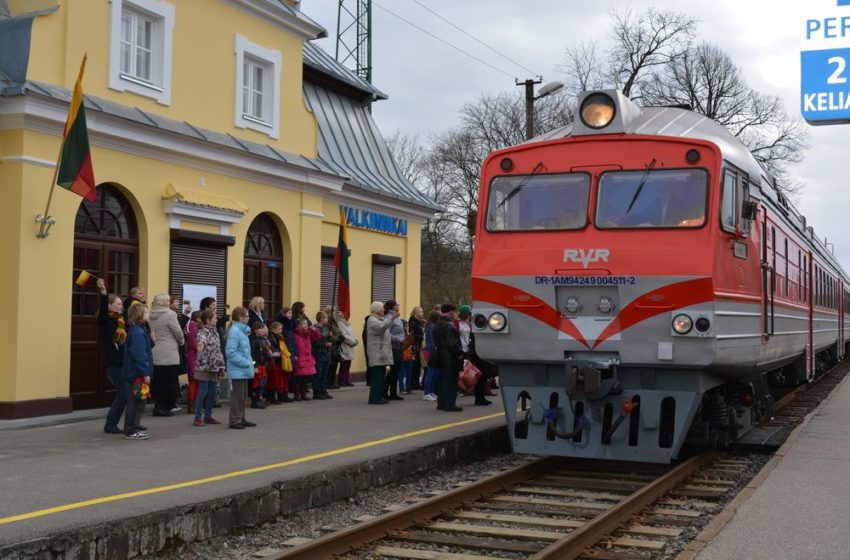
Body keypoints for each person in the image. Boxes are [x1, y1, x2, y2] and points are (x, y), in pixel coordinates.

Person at [96, 278, 127, 434]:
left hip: (125, 362)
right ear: (109, 305)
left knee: (127, 394)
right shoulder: (105, 320)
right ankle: (110, 425)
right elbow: (102, 310)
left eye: (121, 304)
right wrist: (103, 292)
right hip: (114, 364)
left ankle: (127, 424)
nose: (121, 306)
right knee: (123, 393)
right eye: (118, 304)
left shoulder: (121, 320)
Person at [149, 293, 185, 416]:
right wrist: (181, 341)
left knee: (159, 381)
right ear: (164, 303)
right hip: (168, 352)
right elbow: (178, 332)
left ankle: (159, 406)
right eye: (168, 300)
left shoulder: (150, 314)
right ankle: (164, 407)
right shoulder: (170, 314)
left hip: (155, 350)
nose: (170, 302)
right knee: (169, 381)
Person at [123, 303, 152, 439]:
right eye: (146, 312)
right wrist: (145, 373)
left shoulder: (140, 330)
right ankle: (130, 430)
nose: (148, 314)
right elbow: (139, 355)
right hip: (137, 374)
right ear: (140, 316)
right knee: (135, 402)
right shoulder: (138, 332)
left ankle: (135, 425)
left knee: (140, 400)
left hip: (138, 373)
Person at [193, 309, 225, 426]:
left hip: (214, 366)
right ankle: (197, 417)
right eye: (215, 318)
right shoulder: (203, 332)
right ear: (207, 320)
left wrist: (221, 366)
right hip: (204, 366)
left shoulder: (215, 332)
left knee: (212, 392)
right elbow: (202, 341)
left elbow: (218, 351)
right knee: (203, 391)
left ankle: (208, 416)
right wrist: (201, 345)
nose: (217, 320)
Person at [225, 307, 256, 429]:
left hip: (243, 369)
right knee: (237, 396)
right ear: (240, 317)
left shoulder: (242, 331)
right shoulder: (235, 331)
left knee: (242, 396)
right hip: (238, 369)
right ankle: (235, 420)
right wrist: (245, 363)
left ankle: (241, 417)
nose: (249, 318)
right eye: (247, 316)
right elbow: (230, 352)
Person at [434, 303, 463, 412]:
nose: (455, 314)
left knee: (442, 380)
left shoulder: (438, 323)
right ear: (450, 312)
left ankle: (441, 403)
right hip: (450, 357)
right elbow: (452, 343)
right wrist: (459, 352)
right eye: (454, 312)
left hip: (441, 355)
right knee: (451, 381)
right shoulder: (449, 325)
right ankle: (450, 404)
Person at [366, 301, 396, 404]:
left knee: (381, 377)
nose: (384, 310)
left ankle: (378, 396)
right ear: (377, 310)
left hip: (381, 353)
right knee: (377, 377)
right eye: (382, 308)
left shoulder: (379, 319)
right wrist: (391, 317)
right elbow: (381, 328)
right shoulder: (372, 320)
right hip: (377, 353)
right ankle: (374, 398)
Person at [383, 300, 405, 401]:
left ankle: (393, 393)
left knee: (396, 372)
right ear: (393, 306)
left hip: (398, 347)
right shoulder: (389, 317)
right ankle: (384, 392)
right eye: (397, 304)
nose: (398, 306)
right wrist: (399, 339)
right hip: (393, 347)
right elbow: (386, 333)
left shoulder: (397, 317)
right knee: (393, 371)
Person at [293, 318, 318, 400]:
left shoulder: (308, 334)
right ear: (299, 325)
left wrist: (315, 331)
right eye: (304, 324)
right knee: (299, 377)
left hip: (308, 357)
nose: (306, 325)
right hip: (300, 357)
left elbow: (316, 338)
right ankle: (297, 394)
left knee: (305, 377)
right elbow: (295, 346)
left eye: (306, 324)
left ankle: (303, 394)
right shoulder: (296, 335)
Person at [249, 322, 272, 409]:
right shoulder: (254, 341)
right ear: (256, 330)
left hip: (263, 365)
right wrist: (254, 366)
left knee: (260, 384)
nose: (264, 330)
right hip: (257, 366)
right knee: (256, 384)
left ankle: (259, 399)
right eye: (261, 328)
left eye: (264, 328)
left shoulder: (262, 340)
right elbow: (252, 355)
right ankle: (254, 401)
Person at [267, 321, 292, 403]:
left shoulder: (280, 337)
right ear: (273, 329)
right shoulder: (272, 337)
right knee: (275, 379)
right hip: (275, 360)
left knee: (283, 378)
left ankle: (283, 395)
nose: (281, 331)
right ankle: (272, 397)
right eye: (279, 329)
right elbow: (272, 347)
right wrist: (278, 352)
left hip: (282, 359)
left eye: (281, 329)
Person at [312, 311, 334, 400]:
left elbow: (327, 338)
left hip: (326, 352)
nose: (327, 319)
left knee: (325, 373)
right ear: (321, 319)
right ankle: (317, 392)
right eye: (325, 318)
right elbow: (315, 341)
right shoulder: (316, 328)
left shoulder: (326, 328)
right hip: (319, 352)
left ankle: (323, 390)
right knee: (318, 373)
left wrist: (330, 336)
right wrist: (324, 344)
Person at [332, 310, 358, 387]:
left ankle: (347, 380)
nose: (341, 315)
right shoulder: (340, 323)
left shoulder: (348, 323)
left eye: (342, 314)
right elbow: (344, 335)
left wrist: (355, 340)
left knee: (348, 364)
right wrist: (352, 342)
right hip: (345, 345)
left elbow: (352, 333)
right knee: (344, 364)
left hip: (351, 345)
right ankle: (341, 381)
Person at [421, 309, 441, 402]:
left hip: (430, 349)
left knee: (435, 372)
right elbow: (433, 340)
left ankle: (431, 391)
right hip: (431, 350)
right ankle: (427, 393)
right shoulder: (432, 327)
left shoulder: (430, 326)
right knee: (431, 372)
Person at [408, 306, 425, 390]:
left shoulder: (419, 322)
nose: (423, 313)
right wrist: (422, 336)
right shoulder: (413, 322)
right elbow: (413, 334)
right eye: (421, 312)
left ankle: (416, 383)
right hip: (416, 345)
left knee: (418, 365)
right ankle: (414, 383)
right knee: (415, 365)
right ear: (416, 313)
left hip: (419, 344)